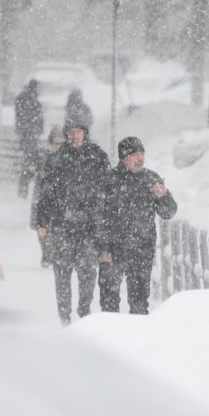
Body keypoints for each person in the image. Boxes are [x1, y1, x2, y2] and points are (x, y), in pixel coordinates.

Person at [36, 120, 109, 326]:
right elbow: (46, 193)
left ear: (85, 134)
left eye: (78, 132)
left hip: (88, 227)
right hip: (62, 226)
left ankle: (84, 310)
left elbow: (107, 192)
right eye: (71, 132)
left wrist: (104, 221)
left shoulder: (98, 157)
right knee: (62, 273)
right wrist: (41, 221)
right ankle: (64, 315)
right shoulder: (56, 159)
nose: (74, 136)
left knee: (87, 274)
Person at [98, 136, 177, 315]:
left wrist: (163, 196)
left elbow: (168, 213)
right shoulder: (109, 180)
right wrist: (102, 248)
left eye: (142, 153)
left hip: (141, 250)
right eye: (134, 154)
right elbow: (97, 218)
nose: (139, 158)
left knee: (140, 304)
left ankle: (137, 341)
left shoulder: (151, 179)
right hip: (112, 251)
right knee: (109, 305)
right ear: (123, 158)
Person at [30, 125, 64, 268]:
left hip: (59, 199)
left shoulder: (66, 158)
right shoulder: (43, 156)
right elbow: (33, 171)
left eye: (61, 143)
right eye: (56, 143)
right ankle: (46, 253)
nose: (58, 146)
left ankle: (54, 254)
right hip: (41, 196)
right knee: (41, 228)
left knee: (57, 228)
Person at [15, 79, 44, 198]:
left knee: (28, 164)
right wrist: (37, 128)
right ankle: (24, 190)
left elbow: (20, 115)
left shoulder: (23, 98)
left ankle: (23, 190)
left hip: (26, 134)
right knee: (29, 164)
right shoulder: (32, 100)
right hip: (30, 135)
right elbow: (37, 117)